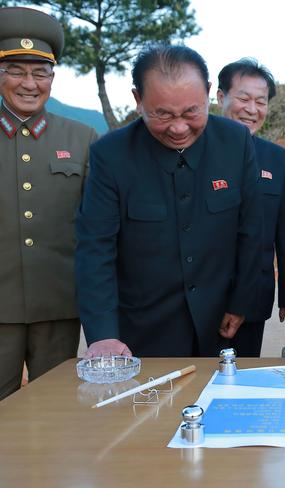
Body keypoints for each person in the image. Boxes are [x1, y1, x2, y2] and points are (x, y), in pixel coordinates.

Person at [75, 45, 262, 358]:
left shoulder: (235, 142)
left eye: (192, 112)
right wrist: (104, 335)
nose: (178, 128)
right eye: (162, 114)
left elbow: (252, 229)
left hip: (224, 324)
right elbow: (95, 249)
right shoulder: (111, 156)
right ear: (138, 100)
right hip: (143, 333)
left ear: (208, 93)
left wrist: (240, 301)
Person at [0, 7, 98, 400]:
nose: (29, 83)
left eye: (40, 72)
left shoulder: (83, 138)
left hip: (60, 306)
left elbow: (97, 229)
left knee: (55, 410)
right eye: (16, 70)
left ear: (53, 77)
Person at [216, 58, 285, 357]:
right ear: (220, 97)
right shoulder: (195, 151)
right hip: (199, 294)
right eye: (243, 98)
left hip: (253, 293)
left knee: (241, 376)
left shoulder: (278, 159)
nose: (252, 109)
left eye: (261, 101)